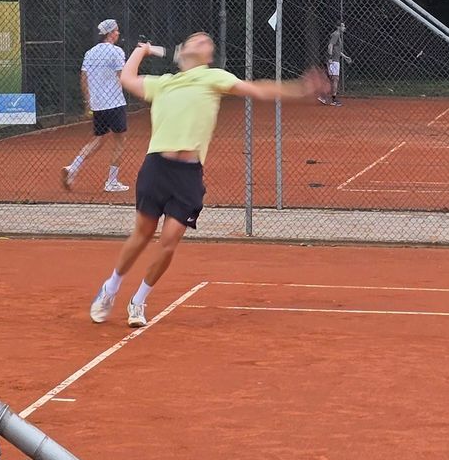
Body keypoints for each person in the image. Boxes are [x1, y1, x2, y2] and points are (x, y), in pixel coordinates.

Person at [90, 32, 326, 327]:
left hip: (188, 176)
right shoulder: (163, 84)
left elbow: (258, 89)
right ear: (185, 49)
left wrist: (300, 88)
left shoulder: (213, 78)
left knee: (169, 241)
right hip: (156, 169)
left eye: (207, 43)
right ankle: (110, 288)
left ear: (208, 57)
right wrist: (143, 50)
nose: (203, 43)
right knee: (142, 235)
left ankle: (138, 301)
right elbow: (127, 78)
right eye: (197, 40)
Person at [62, 19, 129, 195]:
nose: (118, 33)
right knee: (120, 141)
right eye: (116, 31)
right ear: (110, 33)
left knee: (98, 139)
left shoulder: (90, 53)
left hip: (98, 104)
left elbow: (83, 78)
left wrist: (88, 102)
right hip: (115, 103)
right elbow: (122, 76)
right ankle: (111, 182)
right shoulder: (117, 51)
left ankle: (72, 168)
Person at [326, 22, 351, 106]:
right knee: (335, 79)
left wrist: (345, 57)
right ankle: (333, 100)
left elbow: (337, 51)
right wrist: (330, 58)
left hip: (335, 60)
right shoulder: (336, 34)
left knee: (332, 79)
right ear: (338, 27)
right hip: (333, 61)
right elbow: (330, 46)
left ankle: (325, 97)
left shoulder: (338, 35)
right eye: (343, 26)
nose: (344, 27)